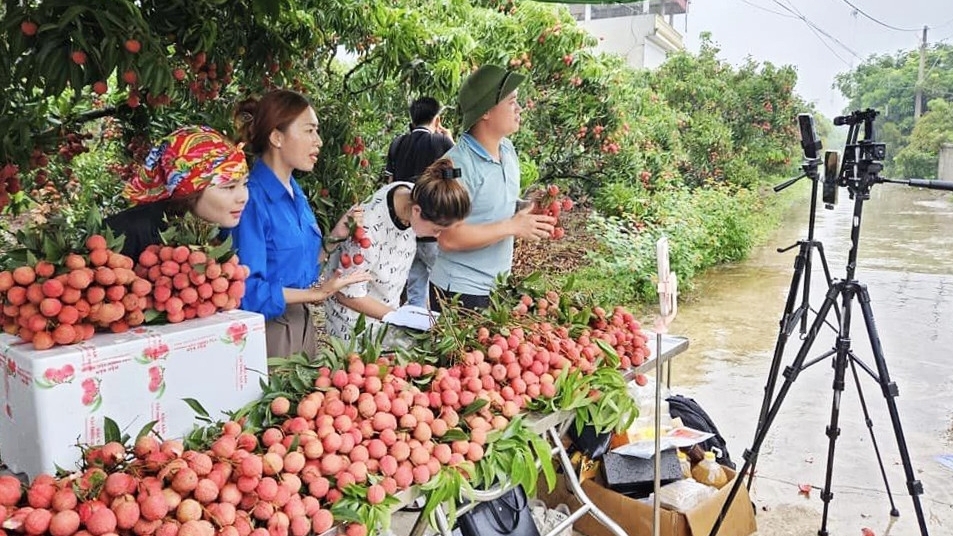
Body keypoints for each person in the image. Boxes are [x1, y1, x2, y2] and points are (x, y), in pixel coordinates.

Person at [230, 89, 371, 358]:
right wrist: (317, 294)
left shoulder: (295, 192)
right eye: (309, 131)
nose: (318, 141)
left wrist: (333, 240)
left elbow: (299, 268)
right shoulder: (250, 200)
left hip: (303, 324)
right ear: (277, 137)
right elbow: (247, 292)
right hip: (268, 333)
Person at [428, 65, 556, 311]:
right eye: (511, 102)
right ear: (486, 111)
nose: (519, 109)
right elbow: (449, 237)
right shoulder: (457, 166)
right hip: (458, 292)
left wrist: (526, 207)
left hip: (496, 287)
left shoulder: (507, 150)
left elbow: (491, 207)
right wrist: (512, 226)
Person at [324, 158, 470, 342]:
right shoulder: (366, 233)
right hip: (354, 325)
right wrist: (399, 317)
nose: (437, 237)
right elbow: (346, 295)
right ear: (417, 211)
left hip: (384, 310)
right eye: (437, 230)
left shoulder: (410, 193)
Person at [106, 125, 250, 261]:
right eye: (229, 187)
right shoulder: (126, 232)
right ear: (190, 189)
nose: (244, 197)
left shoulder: (205, 231)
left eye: (245, 184)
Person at [384, 97, 456, 308]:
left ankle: (415, 329)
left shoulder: (397, 143)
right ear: (437, 120)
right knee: (446, 289)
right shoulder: (441, 143)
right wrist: (450, 140)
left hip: (405, 231)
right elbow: (458, 179)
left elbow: (390, 183)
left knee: (416, 285)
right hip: (432, 230)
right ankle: (444, 333)